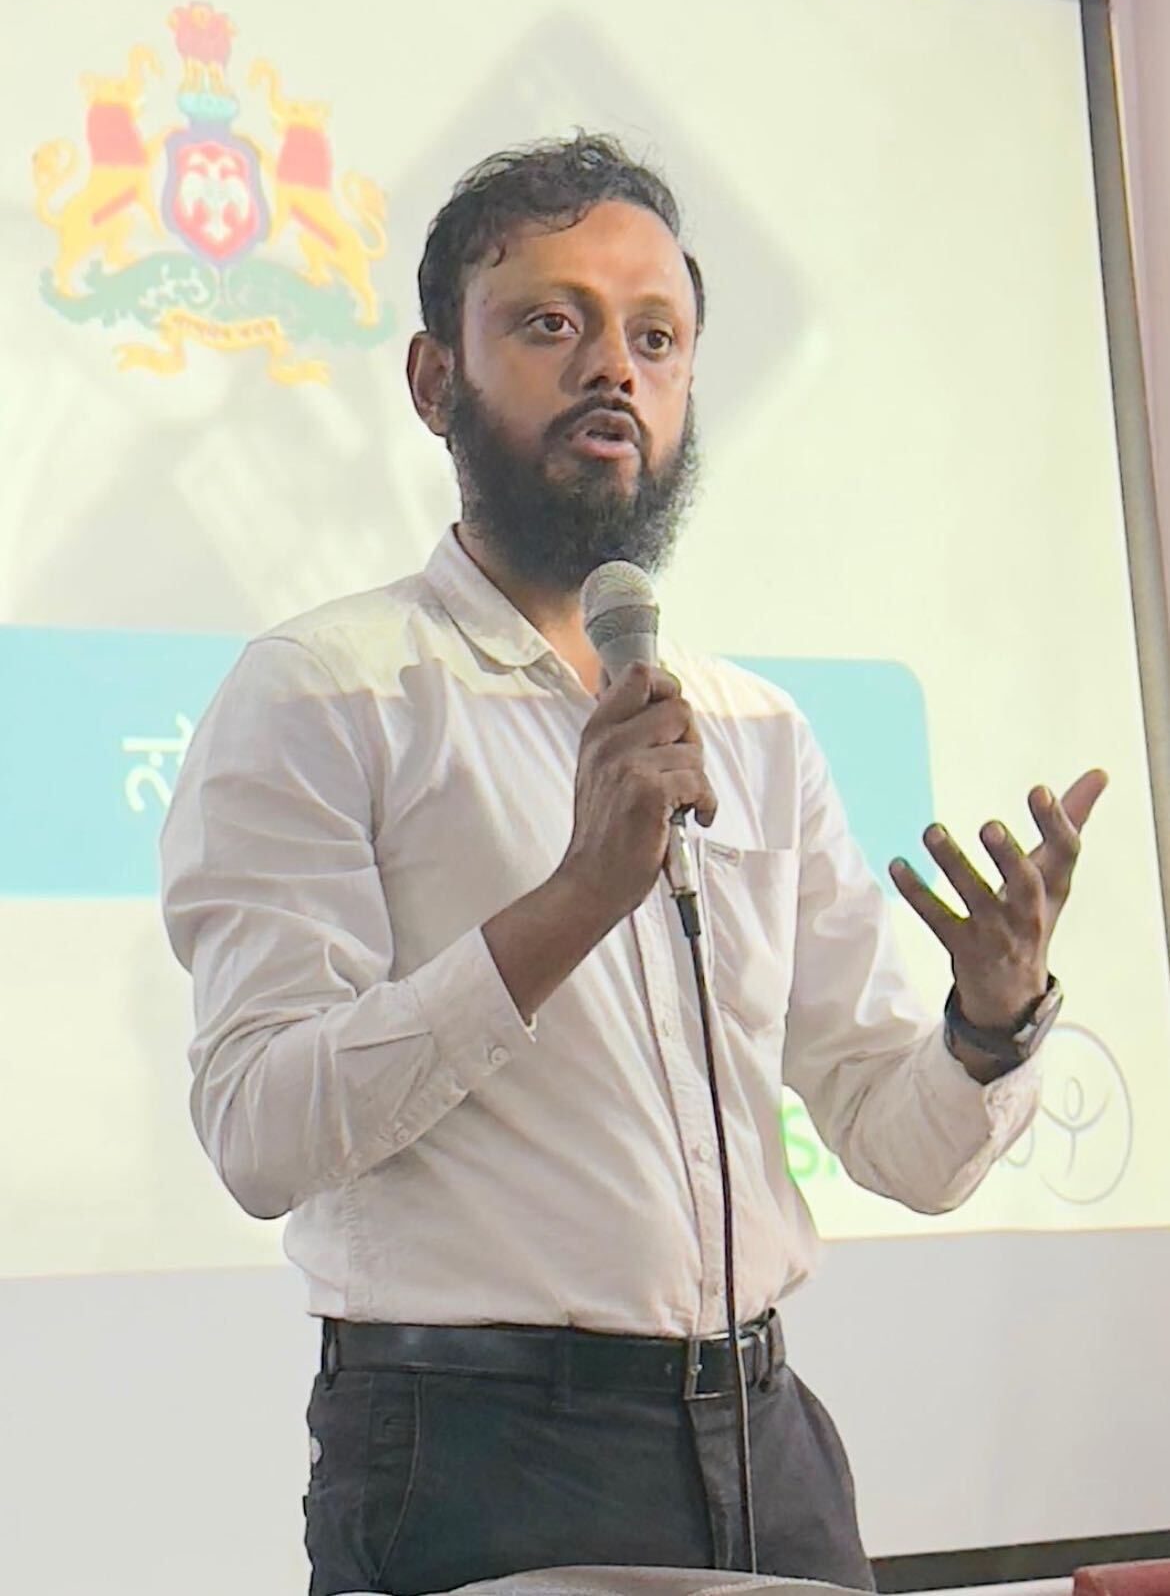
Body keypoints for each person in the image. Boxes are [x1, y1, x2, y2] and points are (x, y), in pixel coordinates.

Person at [162, 132, 1106, 1596]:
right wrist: (575, 902)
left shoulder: (757, 729)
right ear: (434, 379)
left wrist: (988, 1024)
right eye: (553, 322)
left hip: (768, 1441)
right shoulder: (325, 691)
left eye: (655, 339)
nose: (613, 366)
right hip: (474, 1449)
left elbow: (899, 1142)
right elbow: (258, 1131)